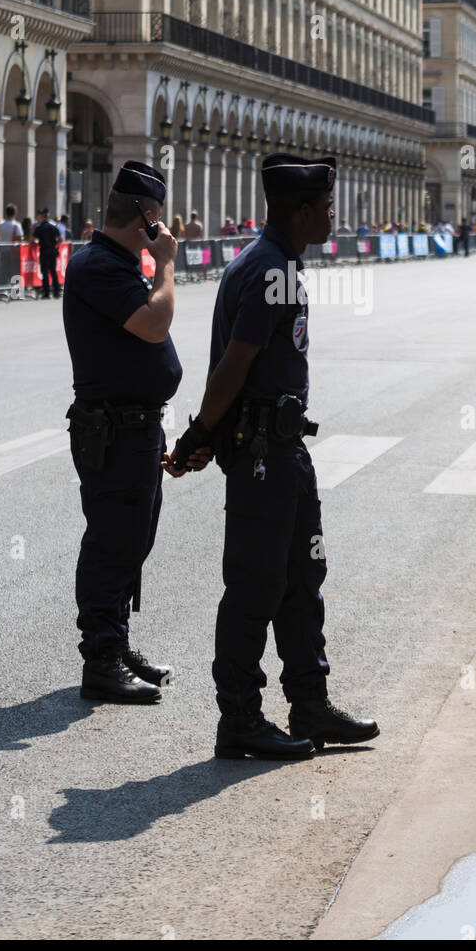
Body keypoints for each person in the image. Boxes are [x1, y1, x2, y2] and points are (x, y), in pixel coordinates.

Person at [165, 152, 379, 762]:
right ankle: (239, 718)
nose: (334, 216)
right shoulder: (267, 270)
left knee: (301, 581)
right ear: (304, 211)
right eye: (329, 207)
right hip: (262, 454)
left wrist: (206, 438)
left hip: (282, 449)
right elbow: (234, 366)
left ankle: (309, 702)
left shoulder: (273, 263)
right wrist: (198, 435)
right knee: (255, 585)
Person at [63, 160, 203, 703]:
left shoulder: (117, 263)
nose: (164, 228)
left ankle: (116, 643)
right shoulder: (99, 265)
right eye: (159, 219)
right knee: (112, 541)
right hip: (114, 430)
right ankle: (100, 657)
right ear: (146, 217)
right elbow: (154, 322)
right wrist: (165, 263)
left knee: (133, 539)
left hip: (135, 426)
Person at [33, 206, 62, 299]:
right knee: (53, 271)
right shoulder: (53, 227)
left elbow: (34, 239)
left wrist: (37, 243)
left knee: (45, 272)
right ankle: (56, 291)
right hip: (52, 251)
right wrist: (55, 245)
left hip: (44, 251)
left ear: (42, 217)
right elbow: (60, 239)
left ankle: (46, 292)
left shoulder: (39, 228)